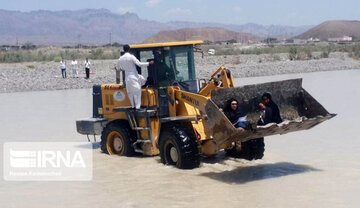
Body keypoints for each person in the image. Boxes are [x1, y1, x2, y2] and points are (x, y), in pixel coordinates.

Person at [117, 44, 154, 109]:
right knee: (137, 91)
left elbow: (118, 68)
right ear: (129, 49)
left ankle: (133, 106)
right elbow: (139, 64)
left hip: (127, 78)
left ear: (124, 49)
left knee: (130, 92)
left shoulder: (120, 59)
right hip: (133, 76)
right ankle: (137, 107)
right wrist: (149, 63)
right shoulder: (131, 57)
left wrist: (124, 68)